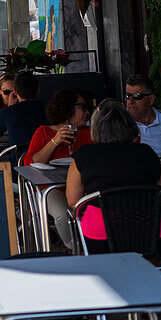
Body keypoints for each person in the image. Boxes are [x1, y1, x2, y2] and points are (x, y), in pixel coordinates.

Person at [67, 99, 161, 255]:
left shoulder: (84, 155)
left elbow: (73, 201)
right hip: (153, 235)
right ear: (130, 127)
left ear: (96, 129)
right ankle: (145, 272)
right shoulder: (147, 152)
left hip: (102, 239)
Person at [23, 89, 93, 250]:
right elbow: (30, 164)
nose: (87, 112)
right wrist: (55, 141)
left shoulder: (89, 133)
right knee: (62, 213)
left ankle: (91, 245)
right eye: (82, 107)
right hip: (51, 187)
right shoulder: (44, 132)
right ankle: (75, 249)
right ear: (67, 109)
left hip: (83, 186)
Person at [124, 74, 161, 177]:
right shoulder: (121, 121)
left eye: (137, 96)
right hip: (136, 165)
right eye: (128, 96)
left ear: (151, 99)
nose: (130, 101)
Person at [0, 71, 45, 147]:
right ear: (38, 90)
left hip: (19, 157)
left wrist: (10, 107)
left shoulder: (6, 113)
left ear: (15, 92)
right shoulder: (49, 109)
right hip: (46, 156)